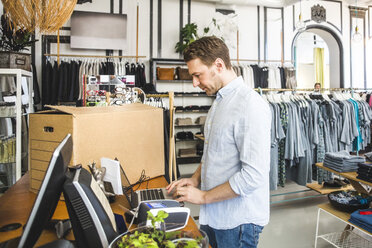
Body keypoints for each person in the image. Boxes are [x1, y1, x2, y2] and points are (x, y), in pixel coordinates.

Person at [166, 36, 271, 248]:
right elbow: (212, 153)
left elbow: (253, 176)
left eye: (198, 75)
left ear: (219, 65)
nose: (194, 83)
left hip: (237, 222)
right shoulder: (219, 102)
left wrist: (203, 196)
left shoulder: (250, 105)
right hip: (215, 214)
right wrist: (195, 180)